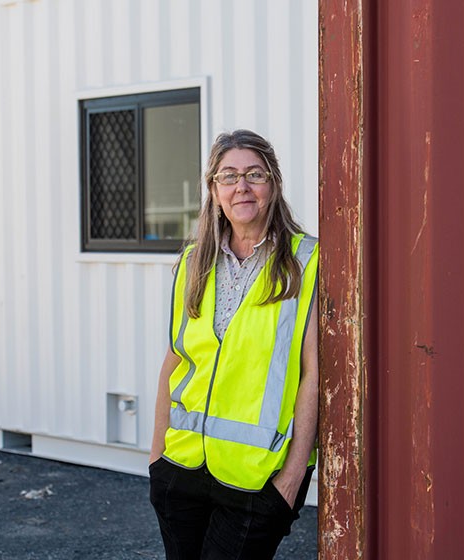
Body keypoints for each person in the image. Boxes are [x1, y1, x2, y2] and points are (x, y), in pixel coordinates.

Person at [149, 129, 319, 559]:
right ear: (213, 190)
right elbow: (175, 358)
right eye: (228, 176)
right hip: (181, 468)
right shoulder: (192, 262)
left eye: (254, 174)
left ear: (273, 184)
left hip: (258, 479)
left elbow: (312, 374)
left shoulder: (308, 261)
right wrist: (156, 458)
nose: (241, 186)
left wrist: (293, 478)